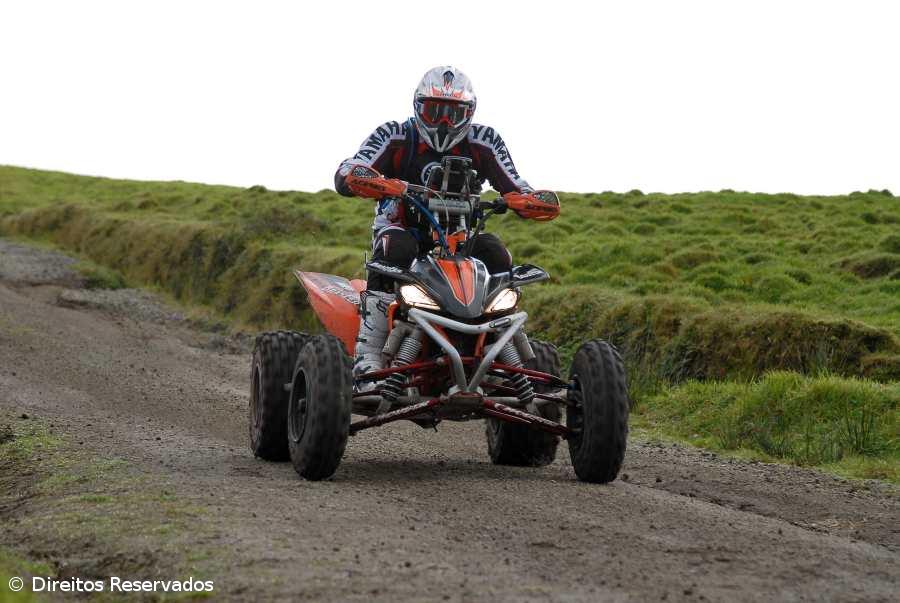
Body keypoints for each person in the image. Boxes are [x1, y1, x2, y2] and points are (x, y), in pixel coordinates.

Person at [334, 65, 549, 381]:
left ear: (469, 112)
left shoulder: (485, 140)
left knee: (496, 252)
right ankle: (369, 358)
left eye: (454, 113)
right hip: (402, 229)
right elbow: (348, 169)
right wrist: (371, 180)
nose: (445, 122)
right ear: (418, 107)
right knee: (395, 247)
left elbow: (516, 184)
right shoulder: (395, 135)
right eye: (435, 111)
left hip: (460, 239)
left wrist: (527, 200)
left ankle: (506, 360)